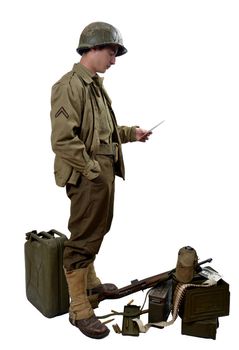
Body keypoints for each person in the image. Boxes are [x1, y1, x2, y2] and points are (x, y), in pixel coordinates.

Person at [50, 21, 151, 339]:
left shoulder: (94, 85)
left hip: (101, 172)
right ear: (93, 48)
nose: (114, 59)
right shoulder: (70, 85)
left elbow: (103, 134)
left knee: (97, 229)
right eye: (112, 51)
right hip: (87, 174)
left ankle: (90, 285)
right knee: (82, 237)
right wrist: (92, 172)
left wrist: (130, 134)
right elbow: (64, 141)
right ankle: (79, 308)